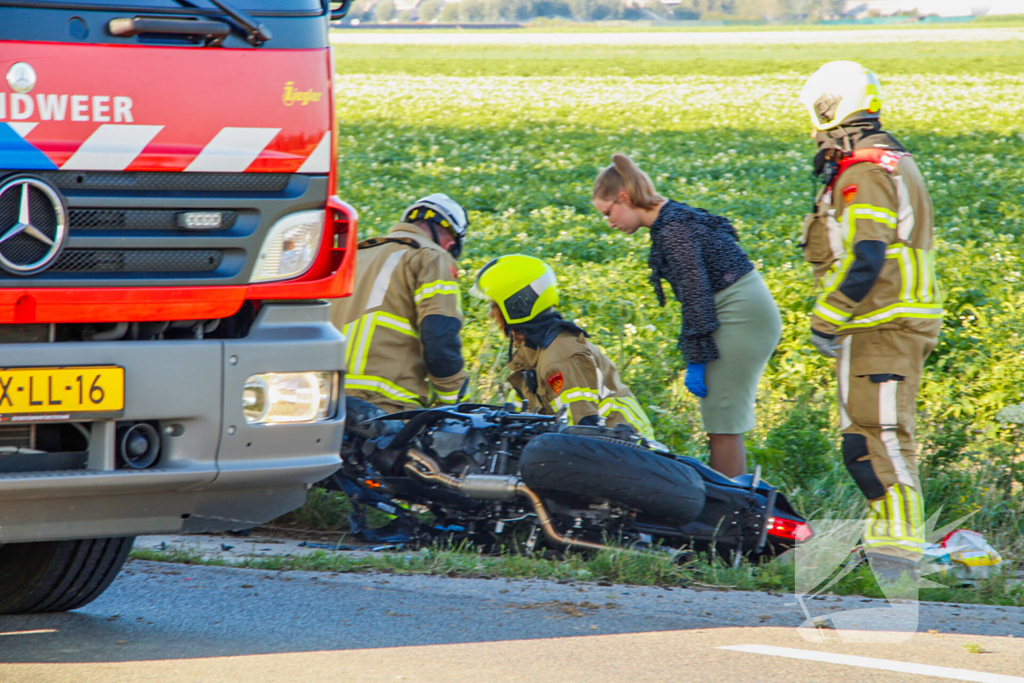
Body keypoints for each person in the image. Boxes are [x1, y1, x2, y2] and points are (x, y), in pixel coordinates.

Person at [798, 61, 942, 577]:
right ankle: (887, 544)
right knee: (866, 437)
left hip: (882, 320)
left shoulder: (864, 171)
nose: (815, 135)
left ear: (829, 108)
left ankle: (900, 554)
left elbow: (868, 256)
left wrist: (826, 317)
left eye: (816, 120)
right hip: (880, 323)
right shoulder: (891, 161)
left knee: (879, 434)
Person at [591, 154, 781, 478]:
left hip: (739, 313)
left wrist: (696, 358)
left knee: (723, 418)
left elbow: (696, 296)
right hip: (744, 306)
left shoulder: (672, 229)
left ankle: (730, 513)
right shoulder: (670, 216)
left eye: (608, 212)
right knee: (723, 416)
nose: (608, 221)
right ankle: (732, 501)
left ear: (624, 198)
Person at [471, 254, 654, 438]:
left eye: (494, 306)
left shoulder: (561, 358)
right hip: (604, 450)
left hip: (628, 449)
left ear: (517, 306)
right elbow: (518, 418)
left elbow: (580, 432)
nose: (490, 314)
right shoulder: (529, 353)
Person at [331, 193, 469, 414]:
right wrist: (454, 399)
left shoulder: (352, 258)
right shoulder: (432, 256)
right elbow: (439, 335)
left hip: (324, 402)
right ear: (450, 244)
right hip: (384, 407)